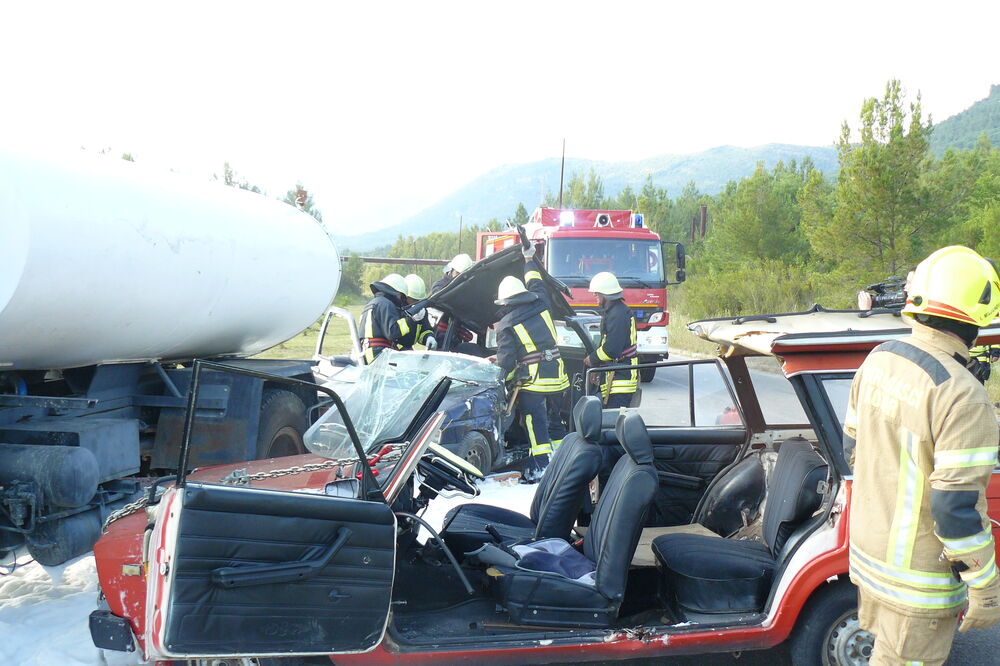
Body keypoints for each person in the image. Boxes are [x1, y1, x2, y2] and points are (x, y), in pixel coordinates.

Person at [845, 246, 1000, 665]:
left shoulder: (880, 358)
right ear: (980, 315)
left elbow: (852, 448)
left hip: (868, 562)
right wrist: (985, 584)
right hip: (916, 583)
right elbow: (955, 507)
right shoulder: (963, 396)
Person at [494, 244, 569, 480]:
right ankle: (563, 462)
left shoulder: (506, 324)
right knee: (555, 421)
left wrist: (502, 383)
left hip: (534, 383)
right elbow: (536, 281)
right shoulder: (542, 304)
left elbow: (506, 361)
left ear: (506, 301)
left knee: (535, 424)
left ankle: (542, 467)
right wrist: (529, 259)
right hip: (558, 376)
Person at [584, 271, 638, 408]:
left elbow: (612, 349)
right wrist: (598, 367)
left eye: (596, 293)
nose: (594, 295)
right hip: (616, 377)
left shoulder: (618, 314)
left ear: (605, 293)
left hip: (621, 382)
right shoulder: (615, 312)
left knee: (615, 424)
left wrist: (592, 359)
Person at [358, 273, 415, 364]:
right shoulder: (386, 304)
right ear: (395, 292)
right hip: (378, 353)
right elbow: (392, 332)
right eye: (401, 296)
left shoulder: (374, 303)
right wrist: (411, 319)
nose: (400, 299)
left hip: (368, 351)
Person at [432, 253, 475, 349]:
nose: (458, 278)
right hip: (438, 336)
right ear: (451, 270)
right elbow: (443, 300)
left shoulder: (467, 290)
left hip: (454, 338)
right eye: (457, 274)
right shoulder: (439, 286)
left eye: (462, 276)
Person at [397, 274, 437, 351]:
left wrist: (429, 337)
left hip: (409, 351)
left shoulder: (421, 311)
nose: (416, 303)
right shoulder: (396, 309)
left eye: (418, 300)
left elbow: (425, 329)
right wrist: (410, 320)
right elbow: (394, 333)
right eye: (413, 299)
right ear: (404, 296)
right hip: (394, 350)